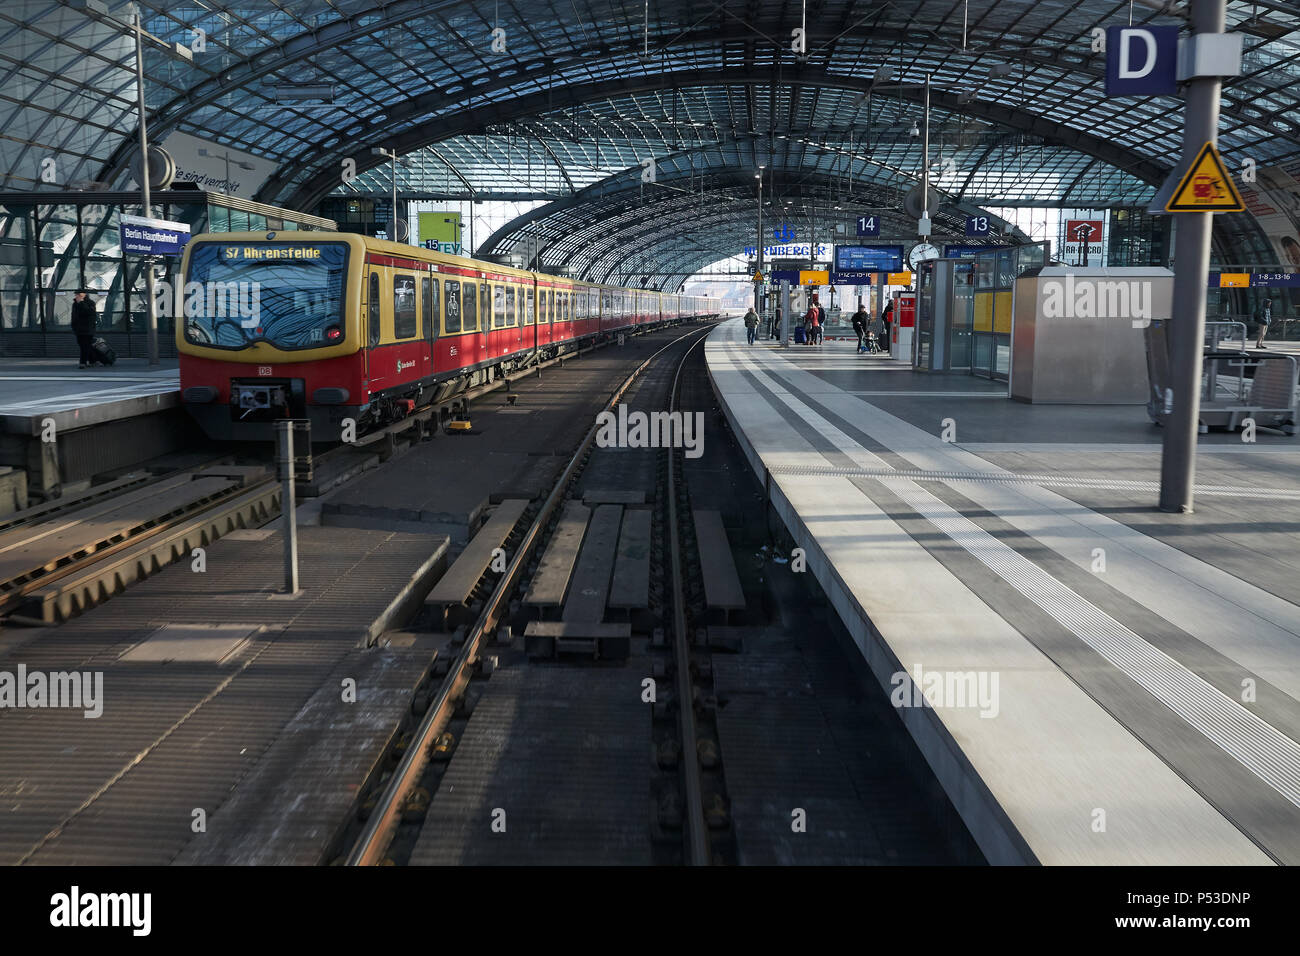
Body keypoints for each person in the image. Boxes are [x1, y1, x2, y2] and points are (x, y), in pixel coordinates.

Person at [71, 290, 97, 369]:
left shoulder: (90, 303)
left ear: (84, 295)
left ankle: (83, 362)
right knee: (85, 345)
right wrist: (73, 326)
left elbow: (88, 312)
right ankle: (93, 360)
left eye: (79, 294)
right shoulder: (75, 304)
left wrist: (81, 302)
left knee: (84, 346)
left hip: (88, 329)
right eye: (76, 294)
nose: (77, 296)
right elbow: (74, 316)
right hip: (79, 329)